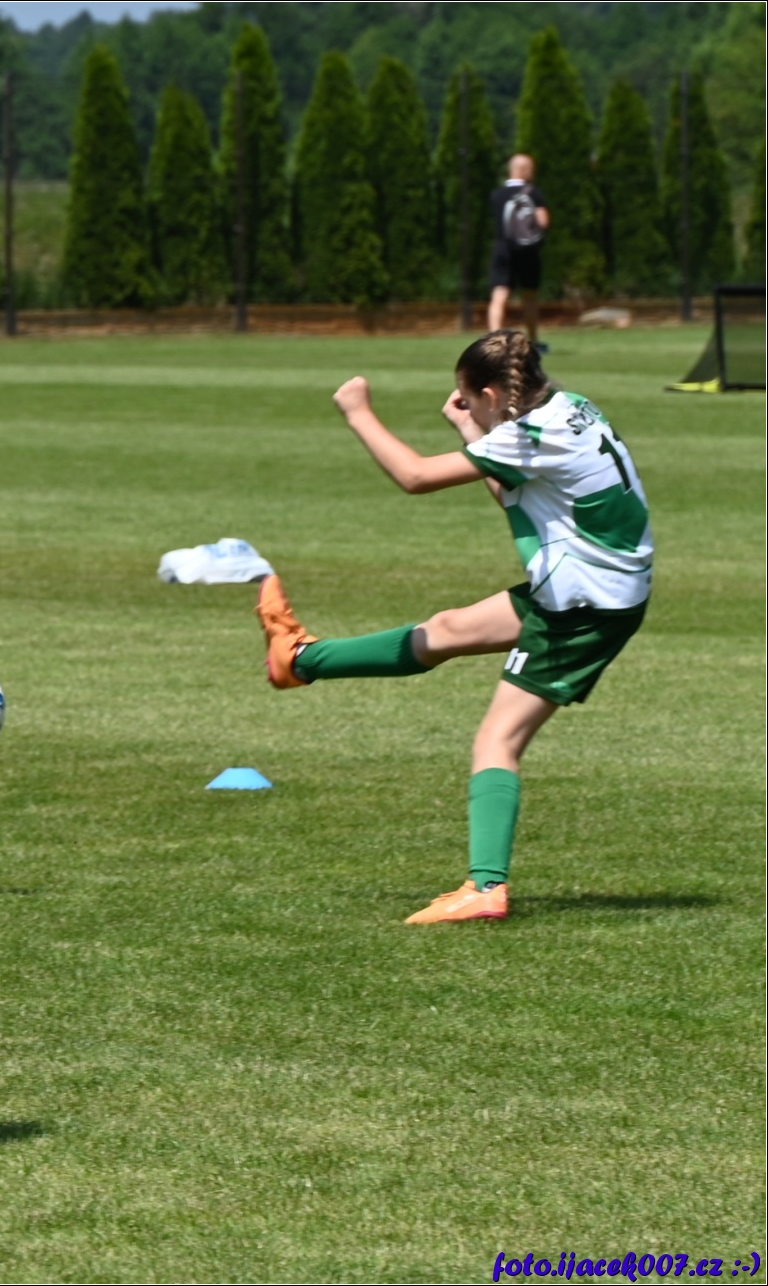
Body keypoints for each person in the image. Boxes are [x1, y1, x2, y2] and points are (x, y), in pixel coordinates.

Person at [256, 331, 652, 925]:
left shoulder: (532, 434)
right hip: (595, 586)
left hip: (581, 606)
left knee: (497, 741)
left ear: (490, 395)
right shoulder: (568, 407)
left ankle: (485, 887)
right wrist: (472, 430)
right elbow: (512, 485)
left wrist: (358, 411)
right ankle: (299, 659)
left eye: (471, 400)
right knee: (445, 631)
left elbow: (414, 475)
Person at [486, 154, 551, 347]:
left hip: (503, 248)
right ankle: (533, 341)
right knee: (529, 296)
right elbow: (544, 221)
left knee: (499, 295)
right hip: (527, 250)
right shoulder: (533, 193)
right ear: (524, 170)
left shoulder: (497, 195)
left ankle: (494, 343)